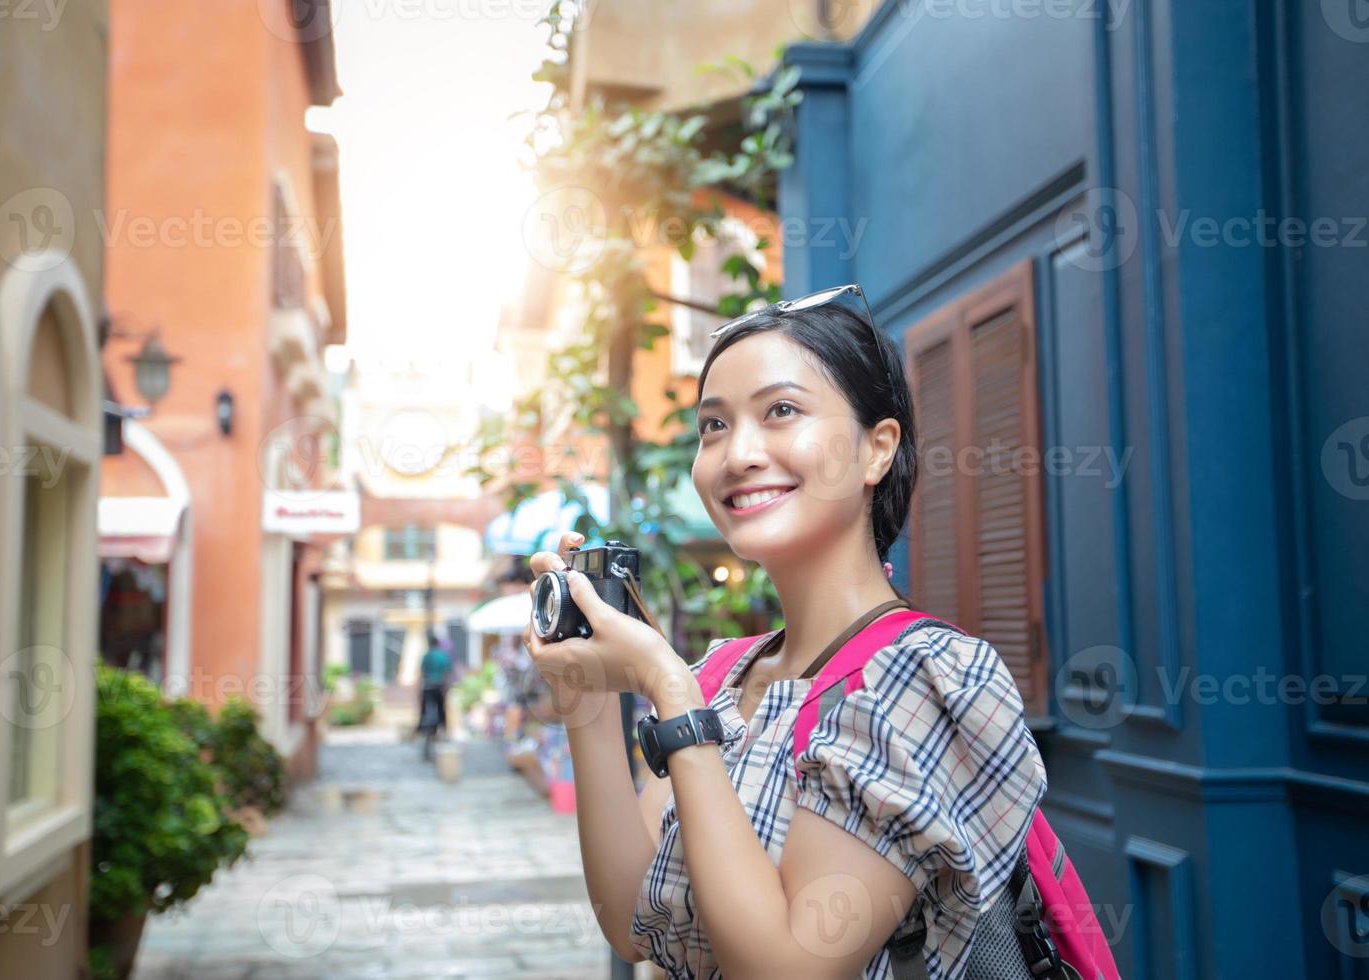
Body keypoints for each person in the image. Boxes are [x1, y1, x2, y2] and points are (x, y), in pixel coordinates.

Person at [521, 286, 1047, 978]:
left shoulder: (929, 675)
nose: (737, 453)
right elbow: (631, 923)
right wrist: (586, 699)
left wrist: (668, 689)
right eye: (713, 425)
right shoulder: (722, 675)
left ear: (876, 450)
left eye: (781, 411)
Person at [417, 631, 453, 761]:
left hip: (427, 687)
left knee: (424, 712)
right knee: (441, 710)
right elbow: (446, 674)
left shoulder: (426, 656)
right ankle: (444, 732)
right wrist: (446, 689)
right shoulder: (443, 656)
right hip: (438, 687)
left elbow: (421, 674)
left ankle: (423, 732)